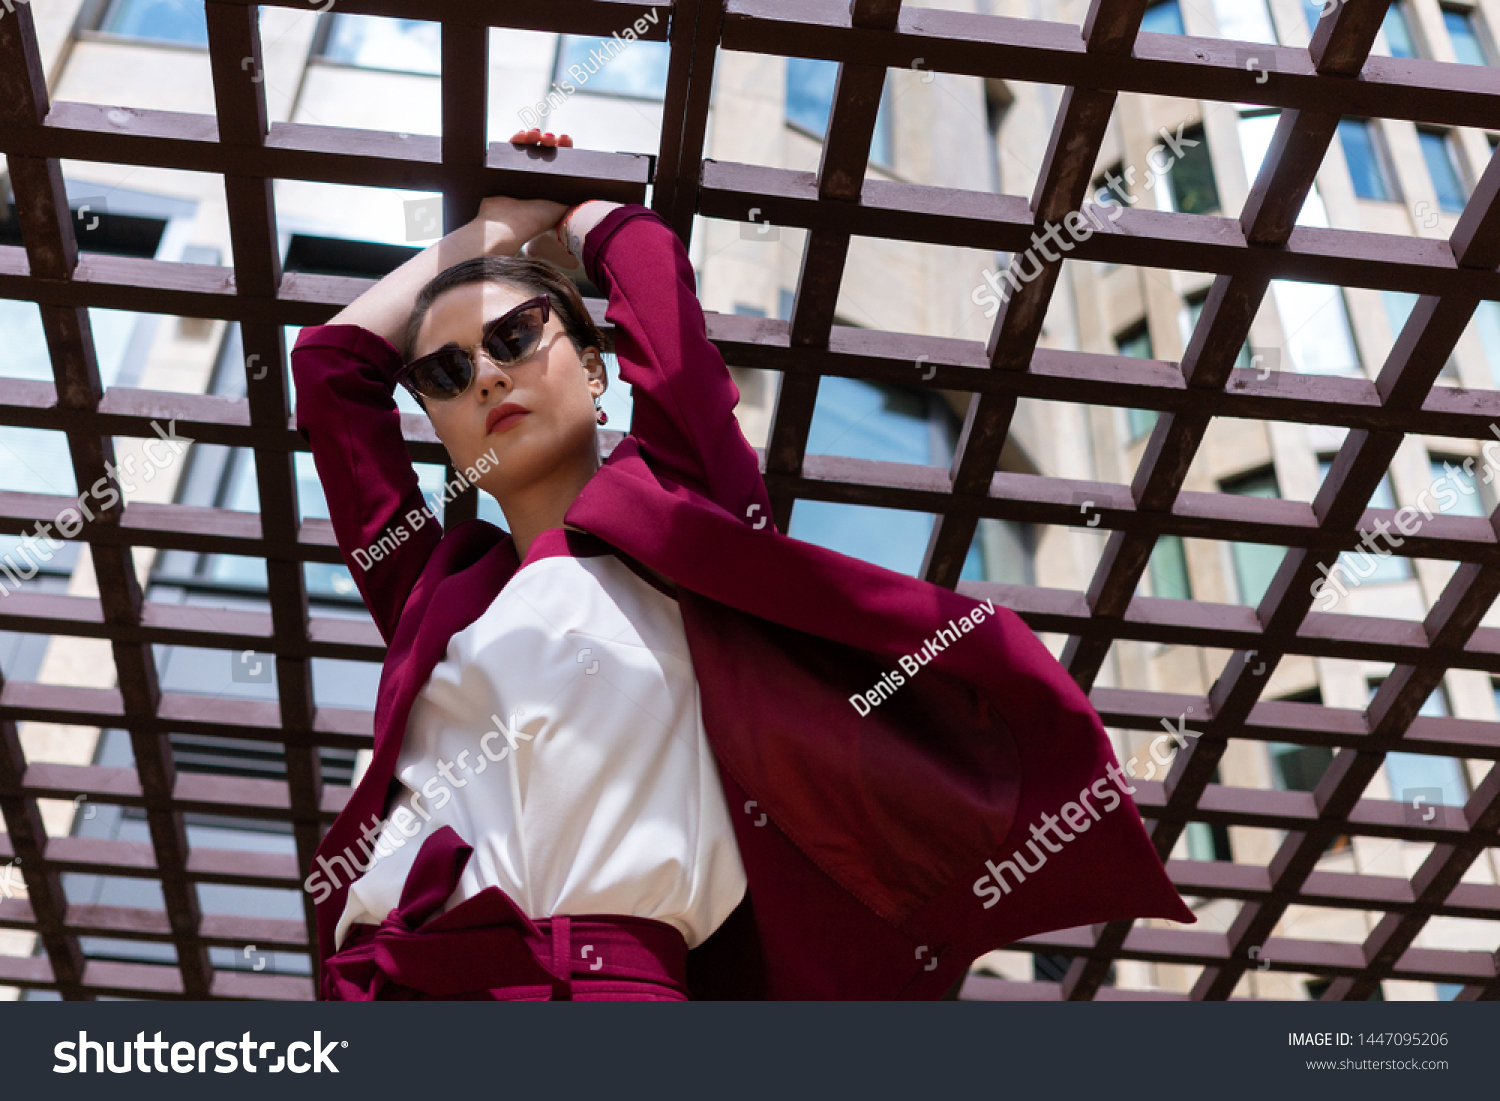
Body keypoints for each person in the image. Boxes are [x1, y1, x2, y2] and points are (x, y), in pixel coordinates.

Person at [291, 129, 1192, 1001]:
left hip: (609, 993)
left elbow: (670, 340)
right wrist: (491, 229)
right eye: (445, 375)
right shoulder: (433, 593)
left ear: (597, 371)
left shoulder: (674, 524)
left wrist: (569, 212)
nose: (485, 375)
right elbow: (331, 369)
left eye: (516, 335)